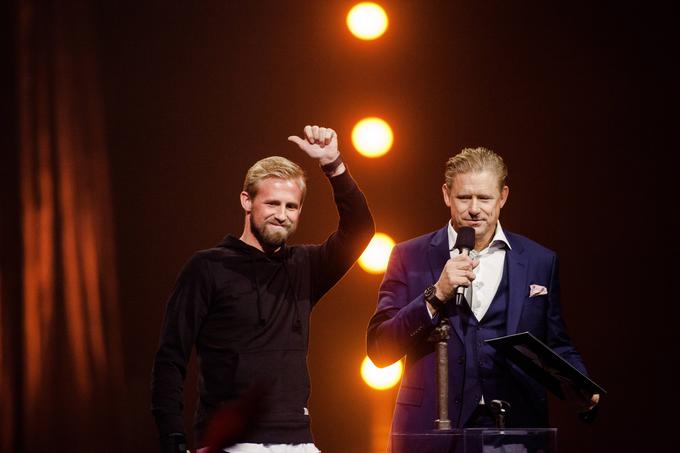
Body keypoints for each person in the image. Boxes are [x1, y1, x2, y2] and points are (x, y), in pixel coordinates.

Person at [151, 125, 375, 453]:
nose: (282, 216)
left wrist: (334, 165)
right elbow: (171, 358)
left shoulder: (305, 265)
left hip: (298, 439)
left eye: (291, 207)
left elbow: (360, 230)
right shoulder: (207, 268)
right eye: (272, 204)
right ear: (246, 200)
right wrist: (172, 438)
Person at [366, 147, 599, 441]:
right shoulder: (408, 256)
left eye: (484, 198)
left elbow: (557, 343)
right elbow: (379, 349)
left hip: (515, 426)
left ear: (503, 197)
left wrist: (583, 385)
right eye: (464, 198)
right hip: (432, 428)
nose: (474, 208)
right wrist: (435, 295)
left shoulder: (540, 260)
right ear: (446, 195)